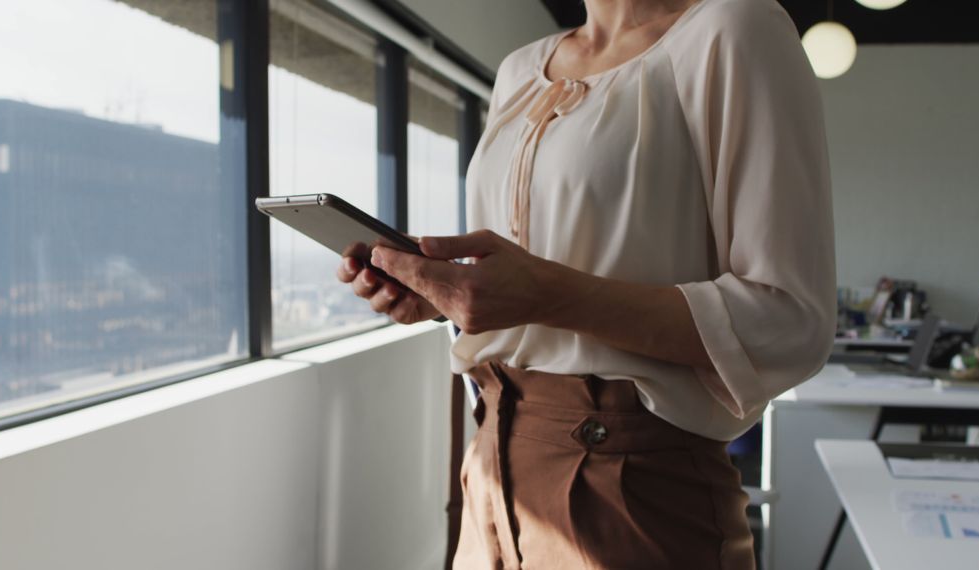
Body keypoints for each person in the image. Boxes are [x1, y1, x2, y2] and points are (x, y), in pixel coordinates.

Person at [337, 0, 835, 567]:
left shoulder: (734, 28)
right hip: (491, 469)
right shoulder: (520, 70)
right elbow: (534, 278)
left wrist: (544, 295)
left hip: (630, 487)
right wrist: (443, 294)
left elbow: (793, 321)